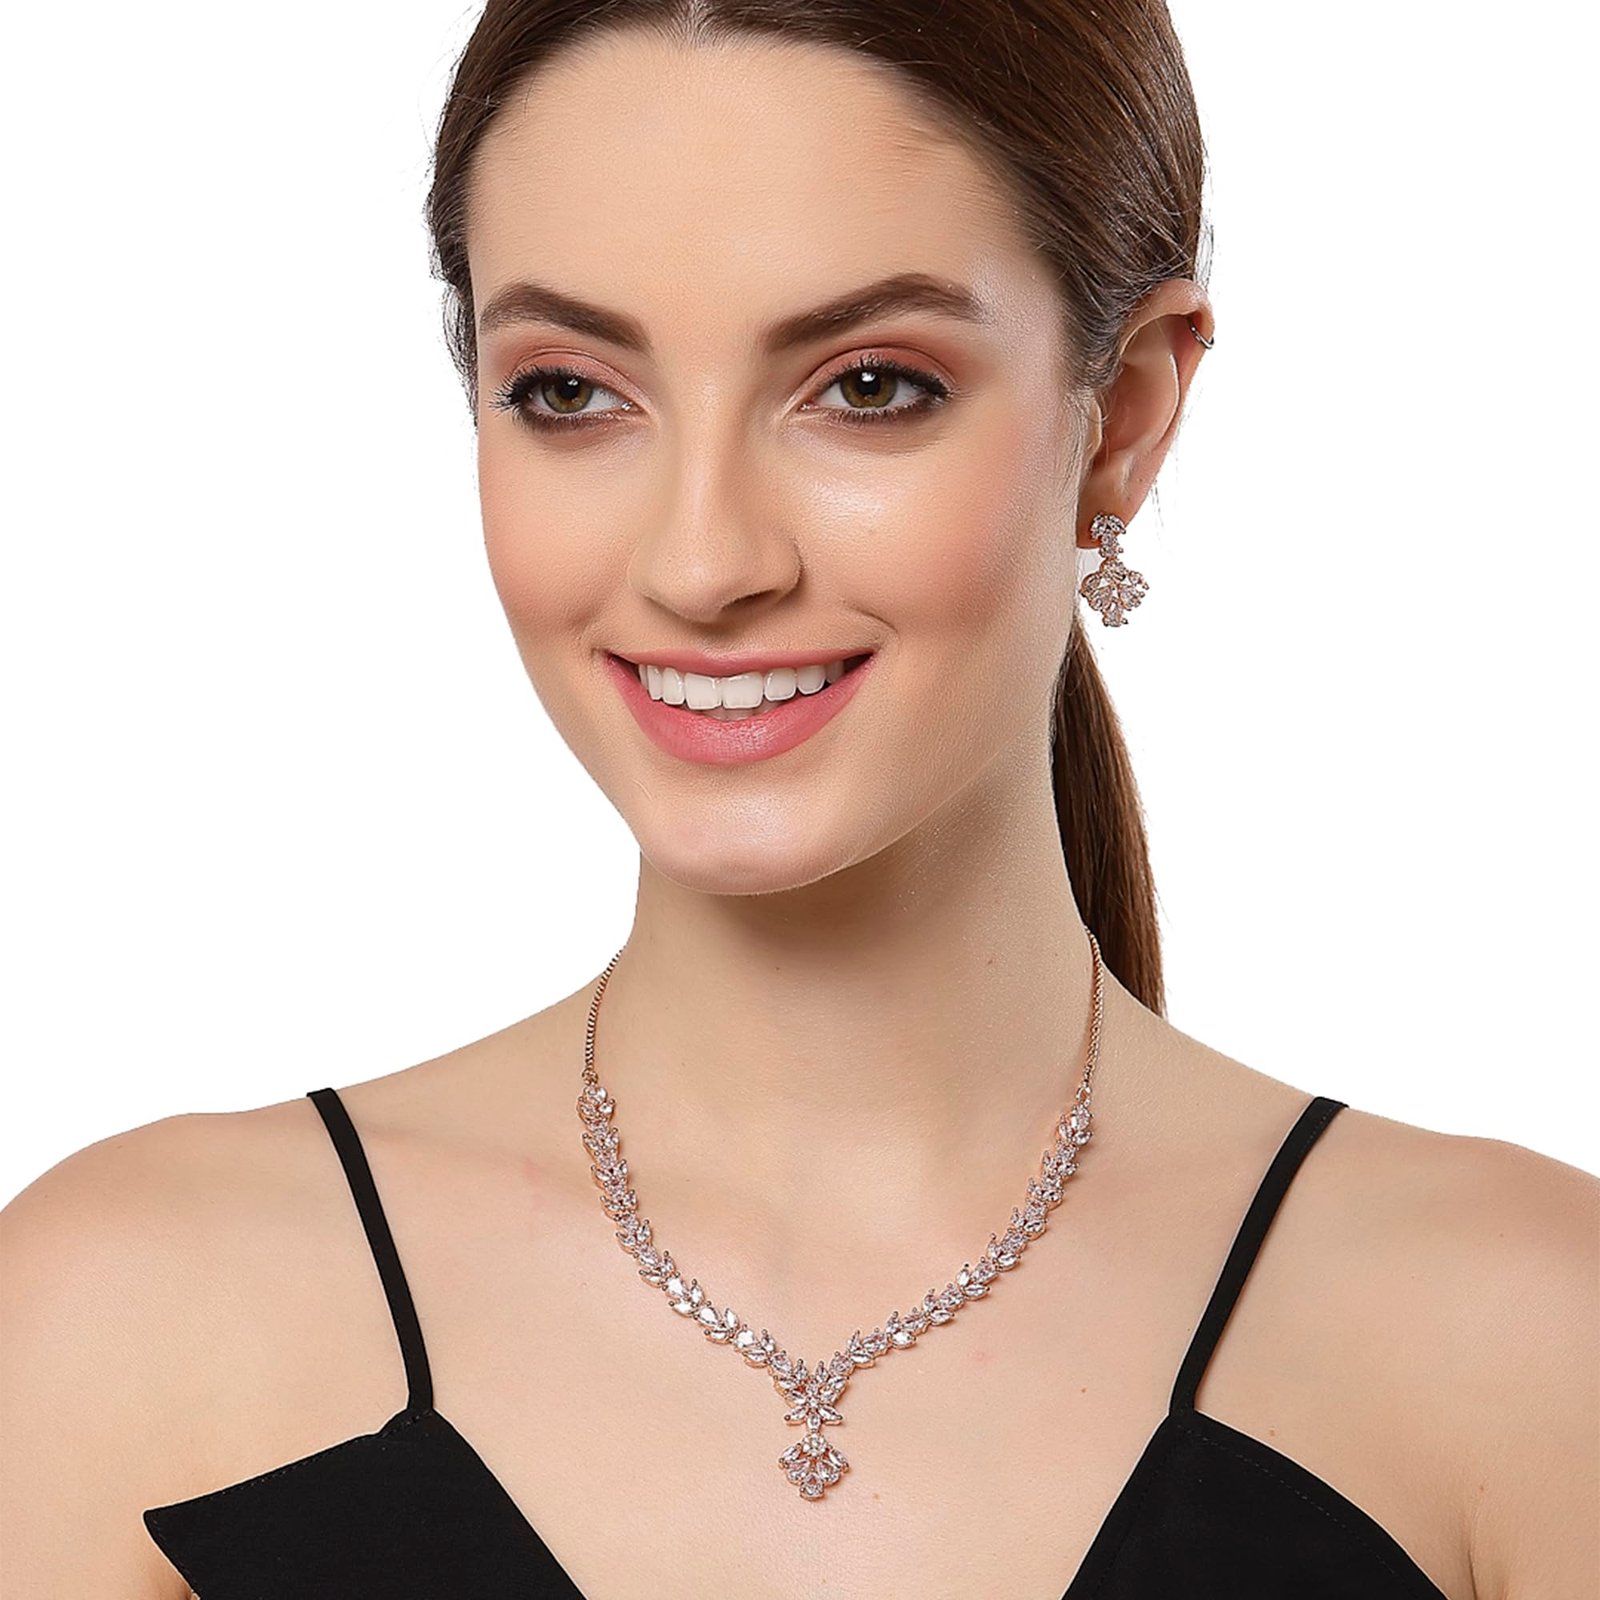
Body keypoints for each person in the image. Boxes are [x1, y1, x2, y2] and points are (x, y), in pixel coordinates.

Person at [2, 2, 1595, 1595]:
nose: (704, 563)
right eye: (570, 392)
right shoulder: (125, 1326)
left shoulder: (1525, 1347)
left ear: (1123, 416)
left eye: (871, 385)